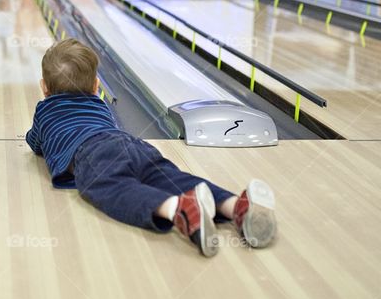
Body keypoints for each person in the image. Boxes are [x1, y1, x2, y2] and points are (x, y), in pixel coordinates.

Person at [25, 38, 275, 257]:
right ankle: (235, 206)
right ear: (96, 87)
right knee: (171, 177)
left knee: (111, 187)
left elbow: (35, 143)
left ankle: (177, 208)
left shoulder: (44, 110)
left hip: (91, 152)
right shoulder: (100, 105)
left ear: (44, 87)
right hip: (131, 143)